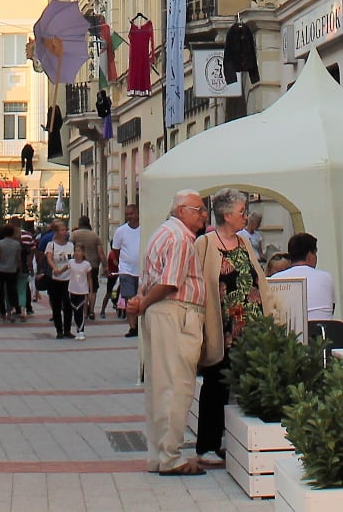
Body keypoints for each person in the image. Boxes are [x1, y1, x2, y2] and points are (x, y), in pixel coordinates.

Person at [121, 190, 211, 477]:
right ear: (182, 211)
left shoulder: (161, 233)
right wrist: (144, 302)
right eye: (199, 209)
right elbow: (171, 282)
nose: (204, 215)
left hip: (161, 313)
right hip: (176, 312)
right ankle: (171, 457)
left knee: (159, 386)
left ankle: (159, 455)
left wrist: (141, 302)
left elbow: (150, 277)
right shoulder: (181, 238)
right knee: (177, 385)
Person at [193, 188, 266, 468]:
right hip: (222, 326)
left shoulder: (244, 241)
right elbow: (199, 282)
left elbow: (257, 278)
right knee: (217, 384)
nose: (245, 216)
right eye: (241, 212)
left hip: (251, 324)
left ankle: (242, 443)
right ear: (226, 215)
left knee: (251, 383)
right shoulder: (206, 243)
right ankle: (207, 445)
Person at [269, 232, 339, 322]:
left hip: (289, 330)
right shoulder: (326, 277)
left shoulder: (275, 279)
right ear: (310, 255)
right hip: (323, 329)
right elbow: (331, 308)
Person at [112, 203, 143, 337]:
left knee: (141, 298)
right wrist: (123, 261)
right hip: (126, 270)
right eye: (127, 214)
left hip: (142, 270)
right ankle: (133, 327)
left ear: (138, 214)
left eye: (132, 213)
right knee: (129, 299)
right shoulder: (121, 231)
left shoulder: (144, 228)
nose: (129, 216)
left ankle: (141, 325)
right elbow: (116, 249)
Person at [45, 217, 77, 339]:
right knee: (56, 305)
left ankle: (67, 329)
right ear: (57, 232)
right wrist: (55, 268)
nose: (65, 232)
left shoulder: (70, 245)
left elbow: (75, 259)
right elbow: (49, 258)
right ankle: (59, 330)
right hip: (56, 279)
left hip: (69, 279)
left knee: (68, 304)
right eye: (62, 230)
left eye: (65, 230)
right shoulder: (51, 245)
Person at [72, 216, 106, 319]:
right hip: (93, 265)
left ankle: (84, 312)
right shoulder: (95, 236)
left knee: (83, 289)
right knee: (93, 289)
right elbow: (101, 253)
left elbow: (69, 249)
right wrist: (105, 266)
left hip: (79, 265)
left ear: (79, 224)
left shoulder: (74, 235)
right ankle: (91, 310)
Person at [0, 222, 28, 320]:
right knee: (12, 290)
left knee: (1, 291)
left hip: (1, 269)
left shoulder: (0, 243)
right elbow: (18, 259)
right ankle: (13, 308)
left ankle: (2, 312)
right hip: (12, 270)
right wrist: (19, 268)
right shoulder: (17, 244)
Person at [67, 242, 96, 338]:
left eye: (79, 251)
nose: (77, 253)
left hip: (82, 290)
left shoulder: (86, 264)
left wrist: (91, 291)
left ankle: (81, 331)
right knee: (75, 310)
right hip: (72, 289)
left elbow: (89, 278)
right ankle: (78, 330)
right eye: (75, 251)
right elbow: (64, 270)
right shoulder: (71, 262)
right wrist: (57, 271)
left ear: (83, 253)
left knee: (80, 310)